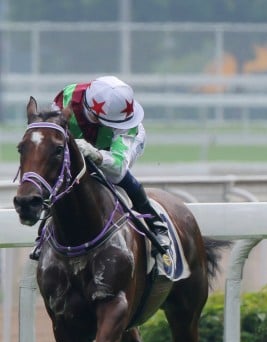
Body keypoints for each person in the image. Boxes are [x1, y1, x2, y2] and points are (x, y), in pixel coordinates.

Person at [32, 75, 171, 261]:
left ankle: (156, 224)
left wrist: (96, 155)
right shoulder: (66, 99)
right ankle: (45, 232)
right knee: (62, 176)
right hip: (79, 139)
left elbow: (118, 167)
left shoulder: (125, 121)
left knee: (114, 177)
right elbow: (51, 136)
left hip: (114, 148)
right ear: (92, 112)